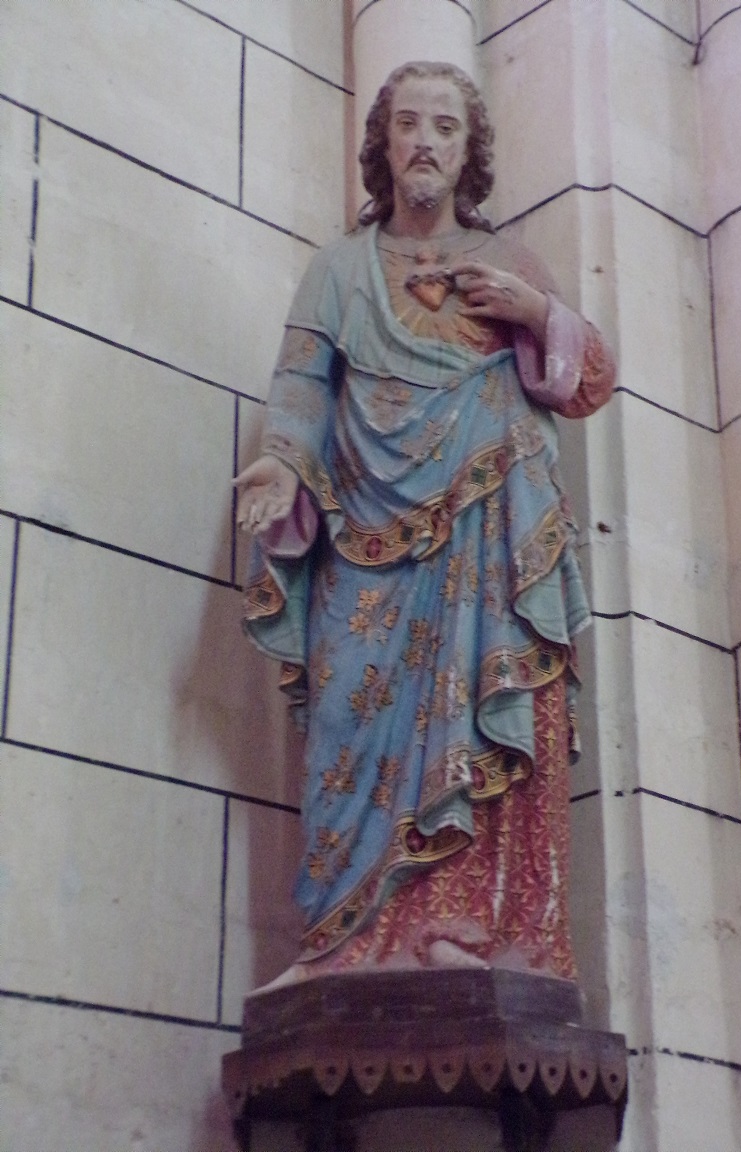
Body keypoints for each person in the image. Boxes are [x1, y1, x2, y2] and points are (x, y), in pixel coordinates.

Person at [234, 61, 615, 992]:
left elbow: (589, 386)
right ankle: (335, 943)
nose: (425, 142)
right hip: (365, 548)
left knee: (478, 715)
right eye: (409, 124)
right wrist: (283, 459)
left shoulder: (512, 265)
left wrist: (542, 315)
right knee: (346, 725)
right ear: (383, 144)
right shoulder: (337, 271)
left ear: (468, 149)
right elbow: (300, 385)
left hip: (487, 542)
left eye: (445, 127)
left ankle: (472, 927)